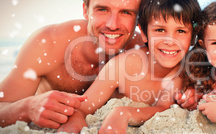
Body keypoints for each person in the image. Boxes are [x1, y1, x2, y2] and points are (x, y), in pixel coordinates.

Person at [59, 0, 201, 133]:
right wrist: (75, 123)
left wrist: (124, 113)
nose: (170, 41)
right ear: (144, 33)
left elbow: (162, 108)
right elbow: (82, 108)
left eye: (181, 31)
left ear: (193, 37)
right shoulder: (121, 66)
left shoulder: (186, 70)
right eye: (160, 30)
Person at [0, 0, 144, 130]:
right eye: (102, 9)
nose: (112, 25)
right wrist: (27, 107)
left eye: (126, 12)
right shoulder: (48, 44)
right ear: (85, 11)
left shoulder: (145, 52)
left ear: (138, 19)